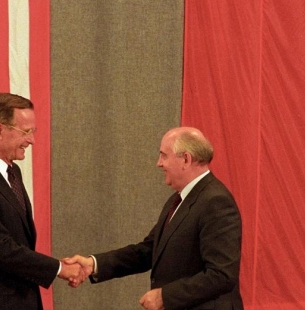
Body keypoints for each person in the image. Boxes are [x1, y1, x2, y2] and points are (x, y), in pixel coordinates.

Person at [65, 127, 243, 310]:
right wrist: (94, 264)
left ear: (186, 159)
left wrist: (165, 296)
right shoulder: (179, 199)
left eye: (164, 156)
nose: (159, 163)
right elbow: (149, 250)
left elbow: (222, 275)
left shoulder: (216, 202)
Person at [0, 93, 85, 310]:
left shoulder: (12, 172)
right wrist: (59, 268)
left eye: (33, 131)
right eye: (26, 132)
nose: (31, 140)